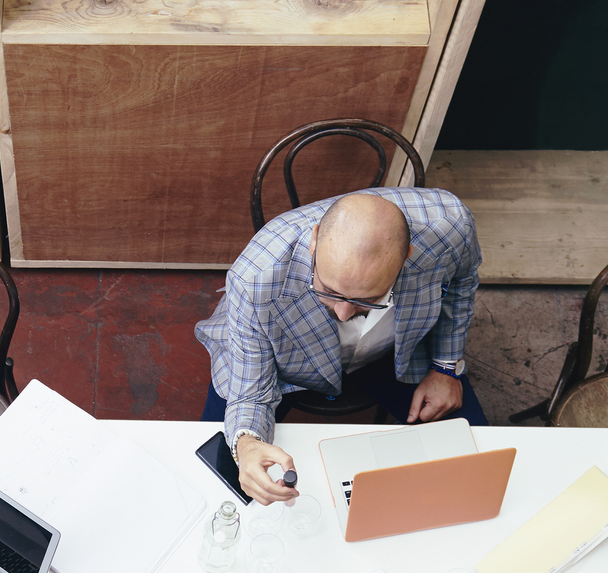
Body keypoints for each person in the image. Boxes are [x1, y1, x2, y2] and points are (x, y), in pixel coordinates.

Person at [197, 186, 485, 505]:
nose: (343, 313)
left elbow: (462, 281)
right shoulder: (255, 278)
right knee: (221, 477)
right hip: (283, 362)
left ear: (406, 256)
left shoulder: (452, 226)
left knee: (474, 467)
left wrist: (446, 366)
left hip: (393, 355)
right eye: (328, 290)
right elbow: (251, 394)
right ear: (315, 240)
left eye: (368, 299)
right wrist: (248, 444)